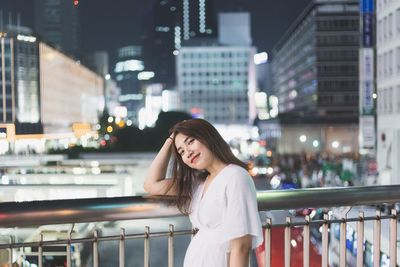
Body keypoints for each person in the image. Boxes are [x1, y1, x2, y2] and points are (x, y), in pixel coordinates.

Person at [144, 119, 263, 267]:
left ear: (207, 136)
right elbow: (151, 184)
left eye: (191, 141)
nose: (188, 152)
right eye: (181, 151)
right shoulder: (198, 183)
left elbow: (241, 246)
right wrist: (170, 140)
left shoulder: (235, 176)